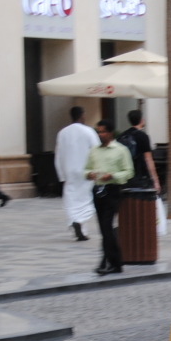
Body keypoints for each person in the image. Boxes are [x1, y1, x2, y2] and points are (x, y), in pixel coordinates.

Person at [85, 120, 134, 275]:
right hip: (98, 189)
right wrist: (89, 174)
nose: (100, 135)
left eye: (103, 132)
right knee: (103, 228)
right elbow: (85, 169)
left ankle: (106, 262)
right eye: (98, 132)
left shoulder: (121, 150)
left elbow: (129, 172)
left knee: (106, 226)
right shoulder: (94, 150)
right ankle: (116, 262)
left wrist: (112, 176)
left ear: (110, 133)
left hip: (112, 189)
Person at [55, 106, 98, 241]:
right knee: (88, 200)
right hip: (86, 172)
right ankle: (80, 221)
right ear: (82, 115)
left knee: (72, 200)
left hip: (70, 171)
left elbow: (59, 155)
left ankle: (77, 222)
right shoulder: (88, 131)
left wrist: (61, 174)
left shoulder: (62, 133)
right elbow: (96, 151)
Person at [117, 109, 161, 190]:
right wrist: (155, 180)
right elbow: (148, 159)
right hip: (141, 178)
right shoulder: (143, 136)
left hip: (125, 178)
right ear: (141, 120)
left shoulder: (122, 136)